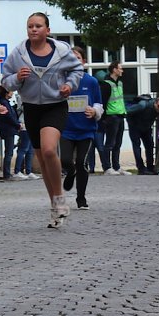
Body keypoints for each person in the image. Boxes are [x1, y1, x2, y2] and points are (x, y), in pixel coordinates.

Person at [1, 12, 83, 228]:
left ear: (47, 30)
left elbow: (77, 69)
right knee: (43, 160)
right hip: (31, 107)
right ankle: (55, 206)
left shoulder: (62, 51)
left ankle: (60, 199)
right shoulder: (18, 53)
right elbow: (5, 81)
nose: (33, 29)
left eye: (38, 26)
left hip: (55, 106)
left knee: (48, 150)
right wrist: (17, 77)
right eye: (30, 26)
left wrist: (69, 86)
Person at [60, 46, 102, 209]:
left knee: (82, 162)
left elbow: (99, 103)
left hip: (86, 130)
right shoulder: (61, 81)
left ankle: (81, 198)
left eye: (78, 57)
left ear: (84, 62)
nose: (74, 60)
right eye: (71, 57)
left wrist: (95, 111)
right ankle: (70, 172)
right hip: (66, 129)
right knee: (65, 160)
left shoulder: (91, 81)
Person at [98, 60, 129, 175]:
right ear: (114, 70)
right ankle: (107, 167)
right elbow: (104, 102)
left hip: (120, 115)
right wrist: (104, 118)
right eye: (120, 68)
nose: (122, 70)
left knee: (118, 143)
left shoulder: (120, 83)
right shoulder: (106, 84)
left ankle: (117, 167)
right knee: (110, 143)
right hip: (111, 117)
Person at [126, 94, 159, 174]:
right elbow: (128, 111)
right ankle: (141, 168)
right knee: (137, 146)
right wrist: (131, 124)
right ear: (155, 103)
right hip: (135, 127)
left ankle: (150, 167)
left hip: (146, 127)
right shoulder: (143, 105)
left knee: (150, 146)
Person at [0, 86, 20, 181]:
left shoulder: (5, 102)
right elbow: (9, 116)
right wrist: (17, 125)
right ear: (6, 93)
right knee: (9, 152)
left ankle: (7, 173)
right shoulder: (4, 103)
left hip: (8, 129)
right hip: (8, 129)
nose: (12, 93)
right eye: (11, 91)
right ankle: (6, 173)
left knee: (9, 151)